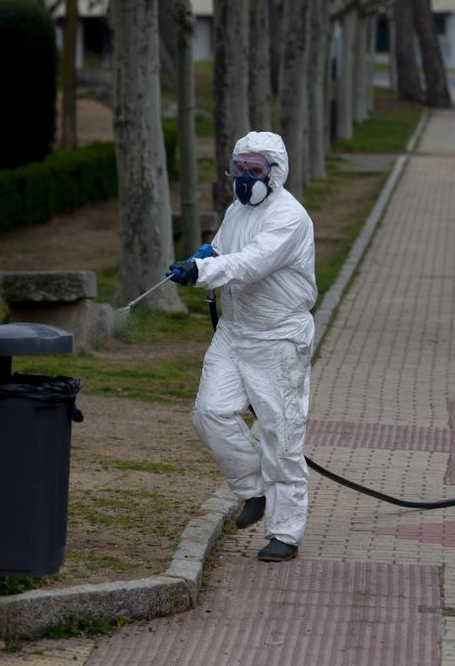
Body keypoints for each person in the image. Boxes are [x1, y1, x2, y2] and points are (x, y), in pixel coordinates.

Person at [168, 131, 316, 563]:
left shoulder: (289, 217)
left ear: (275, 172)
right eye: (239, 169)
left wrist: (202, 269)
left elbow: (251, 263)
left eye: (254, 170)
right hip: (234, 332)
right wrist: (208, 251)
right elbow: (227, 247)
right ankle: (255, 489)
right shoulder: (237, 209)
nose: (244, 178)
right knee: (209, 413)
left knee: (280, 433)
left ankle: (285, 533)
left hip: (277, 337)